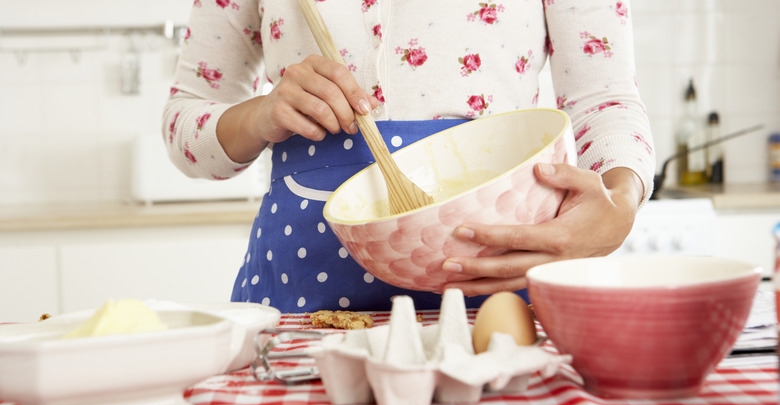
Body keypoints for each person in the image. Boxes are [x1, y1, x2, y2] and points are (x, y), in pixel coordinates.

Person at [163, 0, 655, 313]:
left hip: (495, 293)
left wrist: (620, 203)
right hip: (299, 307)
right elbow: (185, 123)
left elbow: (604, 99)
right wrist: (262, 114)